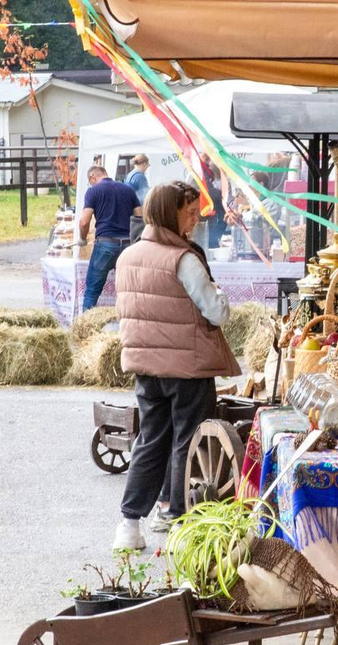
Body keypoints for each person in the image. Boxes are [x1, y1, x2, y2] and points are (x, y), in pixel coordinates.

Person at [111, 181, 241, 550]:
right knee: (188, 440)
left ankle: (129, 526)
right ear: (170, 212)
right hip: (188, 366)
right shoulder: (183, 258)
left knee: (150, 440)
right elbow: (215, 311)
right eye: (189, 211)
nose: (196, 219)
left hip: (146, 368)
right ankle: (180, 521)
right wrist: (222, 297)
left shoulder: (128, 256)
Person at [79, 166, 143, 312]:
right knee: (128, 289)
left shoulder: (93, 191)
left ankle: (84, 330)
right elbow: (140, 216)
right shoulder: (128, 189)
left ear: (92, 177)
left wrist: (82, 238)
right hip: (128, 244)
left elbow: (84, 221)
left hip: (105, 243)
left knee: (92, 291)